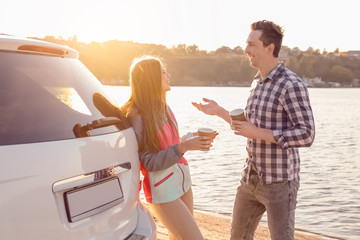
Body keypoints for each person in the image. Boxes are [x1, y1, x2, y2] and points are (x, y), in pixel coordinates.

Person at [192, 20, 315, 240]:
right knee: (237, 236)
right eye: (246, 44)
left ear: (270, 48)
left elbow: (307, 134)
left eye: (251, 44)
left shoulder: (291, 84)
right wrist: (219, 111)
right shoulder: (257, 81)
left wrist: (257, 132)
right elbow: (248, 126)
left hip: (280, 182)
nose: (246, 49)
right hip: (250, 178)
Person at [121, 56, 216, 240]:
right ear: (152, 79)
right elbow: (148, 162)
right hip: (162, 191)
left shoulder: (164, 108)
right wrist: (184, 147)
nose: (168, 75)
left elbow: (169, 144)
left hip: (183, 183)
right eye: (163, 72)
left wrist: (192, 138)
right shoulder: (138, 117)